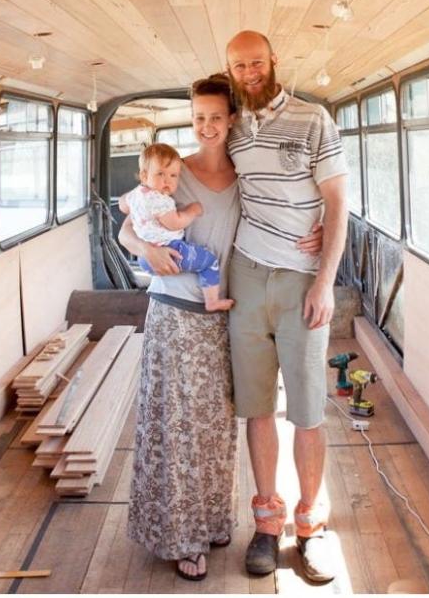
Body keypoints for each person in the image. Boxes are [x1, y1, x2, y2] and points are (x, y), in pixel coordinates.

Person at [119, 74, 324, 581]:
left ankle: (211, 526)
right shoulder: (169, 174)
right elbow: (125, 223)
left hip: (221, 317)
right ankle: (180, 538)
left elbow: (299, 196)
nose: (206, 126)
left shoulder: (246, 174)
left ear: (231, 118)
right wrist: (145, 249)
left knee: (213, 433)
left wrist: (317, 228)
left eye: (215, 116)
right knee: (174, 430)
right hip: (172, 313)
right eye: (198, 118)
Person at [223, 30, 349, 584]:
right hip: (246, 274)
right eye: (239, 64)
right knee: (256, 407)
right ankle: (268, 524)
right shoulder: (229, 124)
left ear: (274, 60)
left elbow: (339, 201)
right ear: (229, 69)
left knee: (307, 410)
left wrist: (325, 281)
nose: (249, 71)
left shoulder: (314, 119)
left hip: (302, 280)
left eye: (256, 61)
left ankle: (310, 526)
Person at [119, 142, 234, 312]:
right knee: (209, 262)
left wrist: (132, 202)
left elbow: (122, 204)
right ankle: (212, 301)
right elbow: (174, 223)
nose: (167, 180)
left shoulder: (137, 195)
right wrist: (192, 210)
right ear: (144, 176)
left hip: (145, 261)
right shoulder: (159, 200)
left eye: (173, 175)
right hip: (170, 251)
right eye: (160, 174)